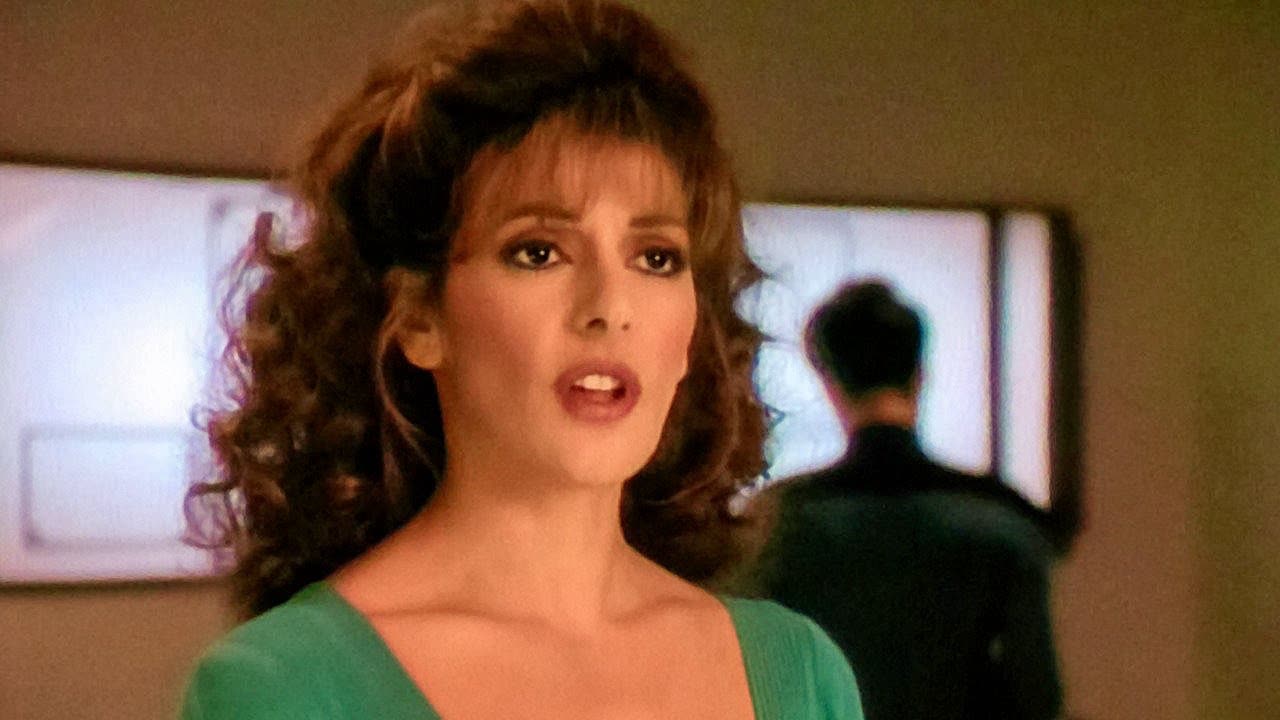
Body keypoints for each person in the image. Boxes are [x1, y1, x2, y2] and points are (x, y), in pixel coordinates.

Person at [180, 2, 863, 718]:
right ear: (418, 317)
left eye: (656, 258)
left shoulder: (798, 674)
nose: (611, 307)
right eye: (539, 252)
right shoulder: (282, 686)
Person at [754, 280, 1062, 720]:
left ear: (830, 382)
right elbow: (1036, 697)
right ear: (920, 373)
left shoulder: (775, 528)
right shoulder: (1001, 524)